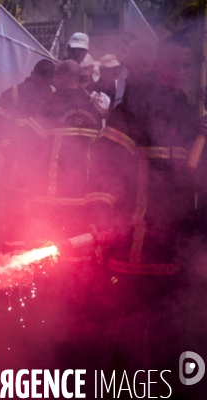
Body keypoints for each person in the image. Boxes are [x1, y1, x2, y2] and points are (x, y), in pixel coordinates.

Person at [87, 34, 205, 397]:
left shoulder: (190, 112)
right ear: (158, 63)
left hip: (178, 241)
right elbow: (106, 165)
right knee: (127, 327)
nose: (181, 71)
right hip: (135, 238)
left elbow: (195, 177)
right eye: (174, 63)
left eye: (187, 65)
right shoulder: (133, 106)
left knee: (171, 328)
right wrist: (104, 219)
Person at [0, 59, 55, 244]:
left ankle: (35, 249)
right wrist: (12, 153)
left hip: (45, 167)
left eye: (47, 82)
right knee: (14, 212)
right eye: (40, 80)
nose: (43, 85)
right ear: (33, 74)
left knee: (41, 211)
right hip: (16, 168)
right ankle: (11, 252)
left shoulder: (54, 94)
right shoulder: (12, 94)